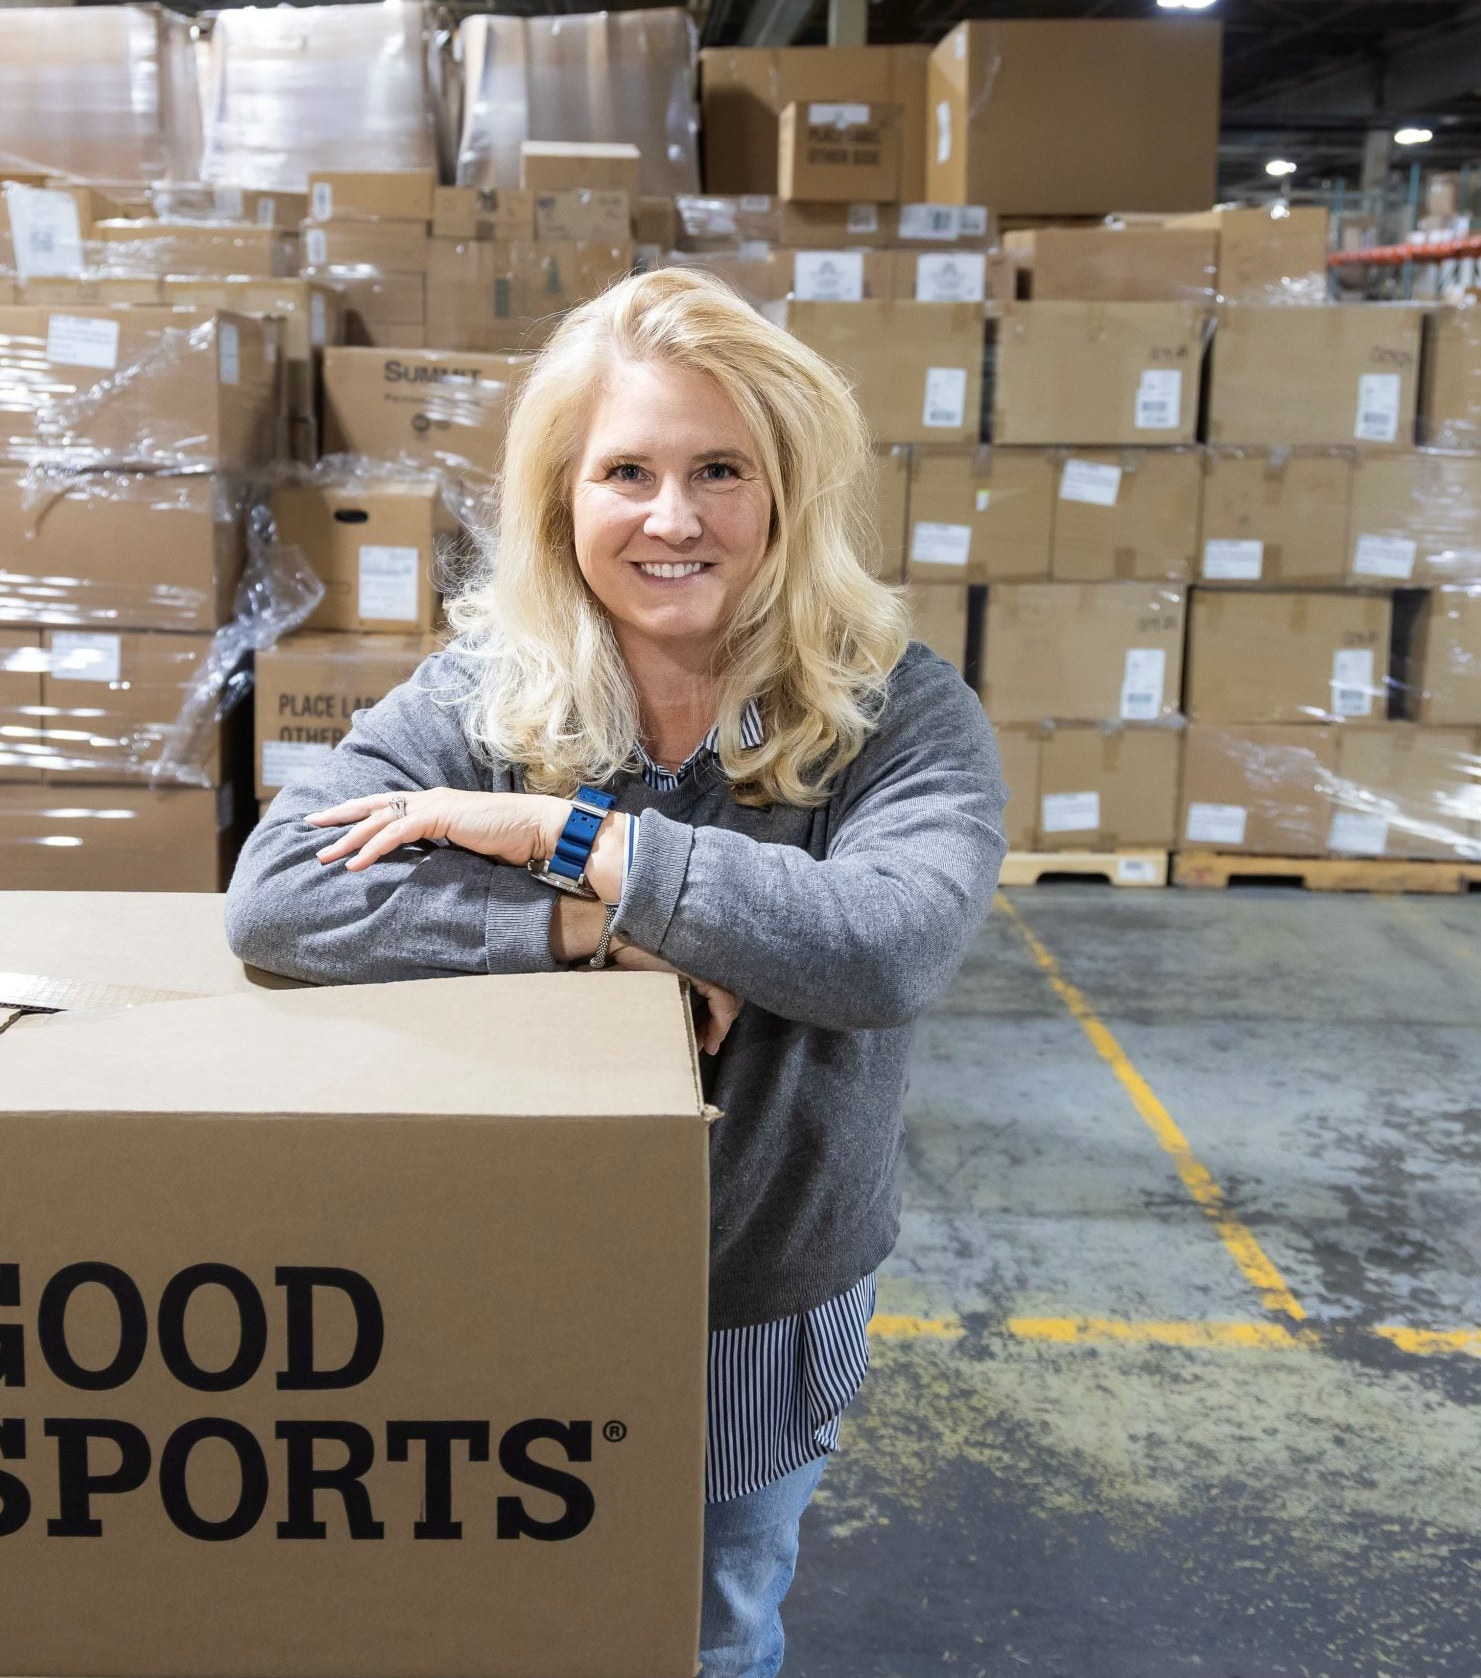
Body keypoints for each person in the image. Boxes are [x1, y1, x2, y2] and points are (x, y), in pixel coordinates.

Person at [226, 268, 1006, 1676]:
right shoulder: (486, 695)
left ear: (788, 493)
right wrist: (598, 935)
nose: (672, 518)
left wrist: (572, 840)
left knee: (709, 1622)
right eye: (626, 473)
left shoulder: (892, 713)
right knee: (496, 1621)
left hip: (746, 1294)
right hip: (503, 1276)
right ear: (562, 500)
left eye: (721, 471)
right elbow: (282, 893)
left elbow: (887, 944)